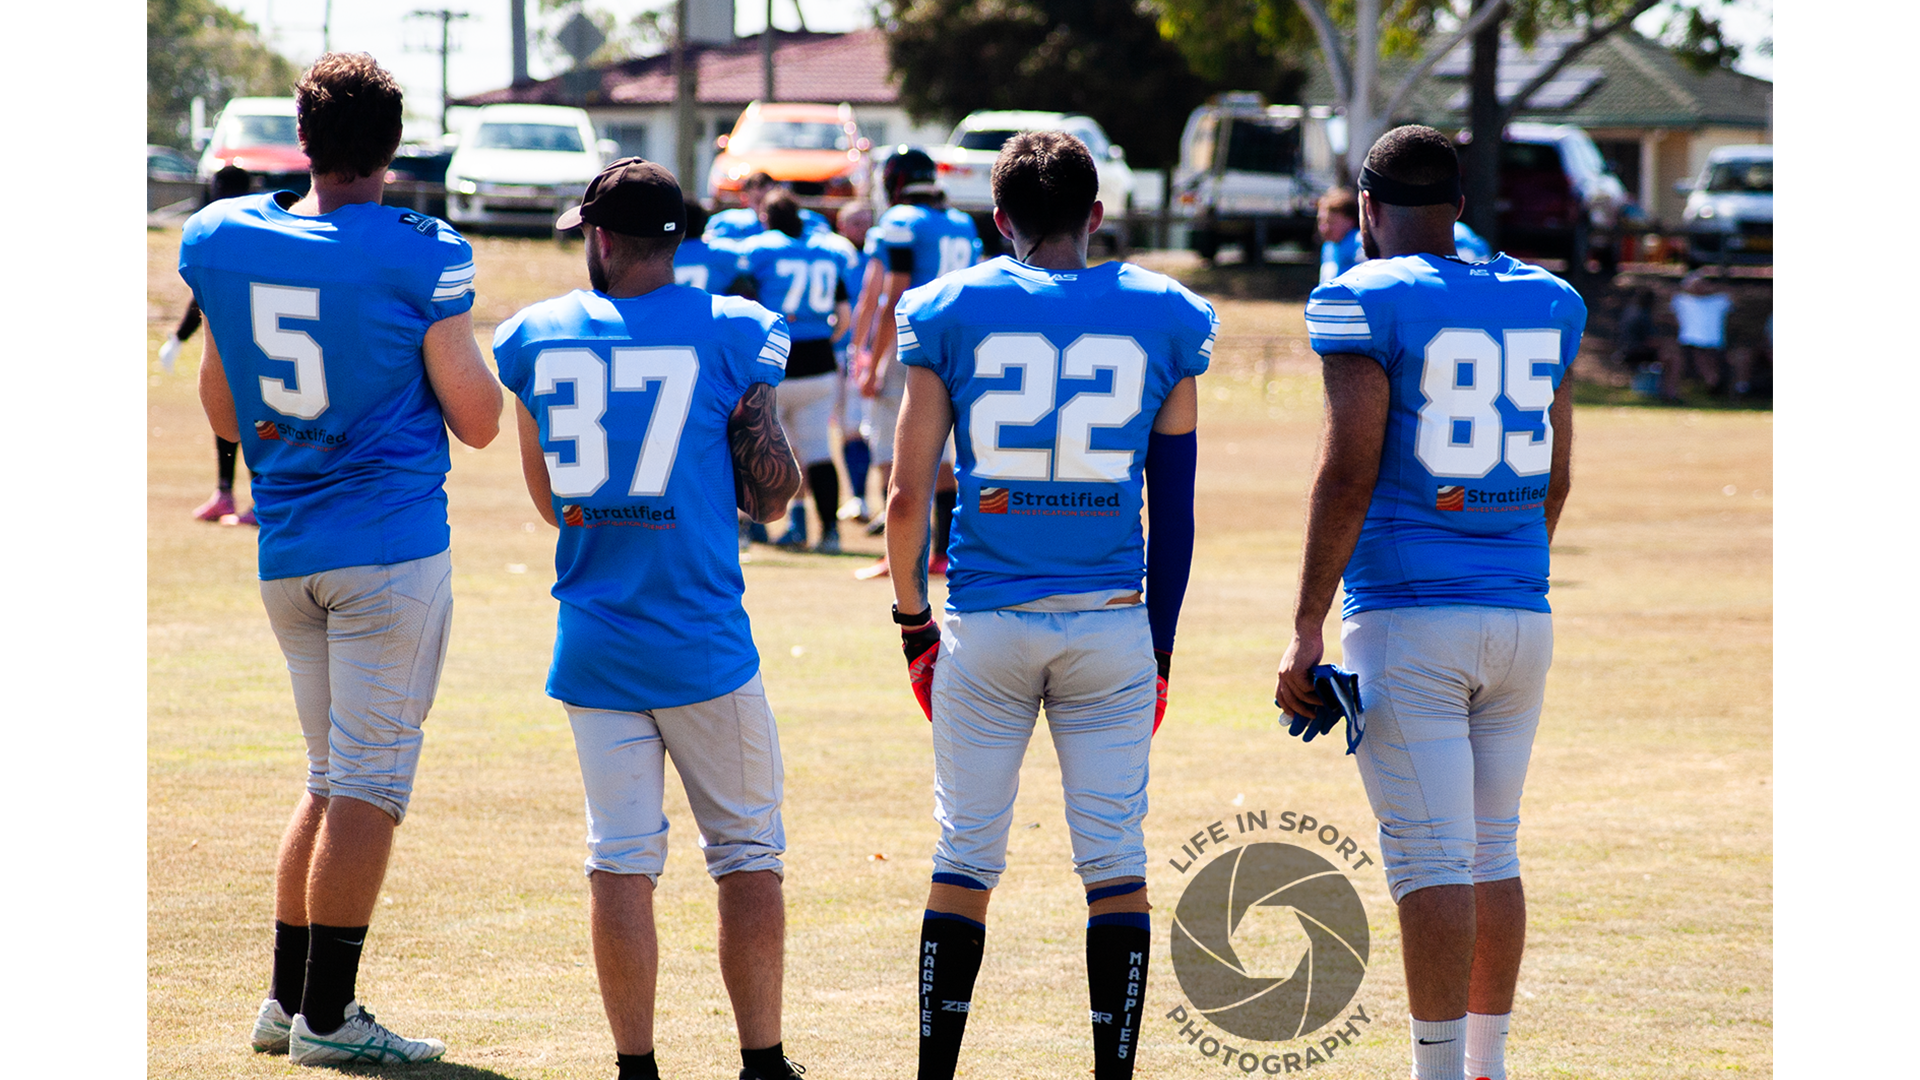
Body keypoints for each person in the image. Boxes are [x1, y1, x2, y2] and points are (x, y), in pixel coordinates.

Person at [181, 52, 503, 1066]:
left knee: (328, 779)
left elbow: (224, 404)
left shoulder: (227, 238)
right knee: (368, 786)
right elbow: (481, 418)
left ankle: (287, 1005)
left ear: (303, 141)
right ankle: (329, 1018)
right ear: (394, 146)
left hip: (287, 545)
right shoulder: (421, 249)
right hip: (387, 549)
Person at [885, 130, 1214, 1080]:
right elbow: (1176, 507)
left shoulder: (951, 308)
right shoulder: (1163, 313)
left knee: (965, 855)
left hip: (986, 620)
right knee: (1114, 861)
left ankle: (934, 1074)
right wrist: (1160, 650)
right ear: (1097, 217)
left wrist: (913, 626)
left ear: (1000, 221)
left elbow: (909, 496)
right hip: (1112, 617)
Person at [1274, 125, 1583, 1080]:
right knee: (1493, 848)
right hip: (1519, 610)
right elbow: (1556, 475)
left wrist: (1305, 623)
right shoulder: (1546, 298)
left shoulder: (1361, 294)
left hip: (1410, 614)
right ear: (1458, 203)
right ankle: (1486, 1065)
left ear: (1367, 209)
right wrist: (1506, 568)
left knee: (1430, 858)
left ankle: (1440, 1072)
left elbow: (1349, 464)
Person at [490, 157, 808, 1080]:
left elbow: (551, 503)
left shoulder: (536, 336)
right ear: (679, 239)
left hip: (595, 636)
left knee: (620, 858)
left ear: (598, 237)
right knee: (746, 853)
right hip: (703, 639)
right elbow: (777, 497)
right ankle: (762, 1063)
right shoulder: (731, 331)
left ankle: (636, 1069)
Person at [850, 146, 982, 578]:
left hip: (913, 348)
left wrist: (871, 358)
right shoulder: (961, 223)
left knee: (893, 450)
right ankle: (942, 552)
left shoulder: (901, 221)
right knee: (944, 454)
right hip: (959, 350)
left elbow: (892, 298)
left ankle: (900, 555)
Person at [731, 190, 863, 553]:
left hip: (774, 362)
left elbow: (744, 301)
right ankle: (829, 532)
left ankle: (748, 529)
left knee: (753, 447)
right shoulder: (826, 250)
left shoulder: (760, 249)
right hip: (820, 362)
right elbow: (844, 317)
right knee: (819, 449)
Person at [162, 164, 259, 525]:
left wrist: (178, 338)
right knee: (224, 416)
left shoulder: (232, 230)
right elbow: (202, 296)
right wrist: (178, 337)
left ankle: (261, 500)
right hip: (230, 340)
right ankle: (224, 494)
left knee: (252, 422)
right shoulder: (232, 228)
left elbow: (203, 295)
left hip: (250, 341)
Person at [1318, 186, 1363, 283]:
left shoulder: (1361, 244)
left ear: (1350, 221)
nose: (1324, 228)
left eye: (1331, 223)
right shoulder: (1329, 247)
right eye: (1321, 221)